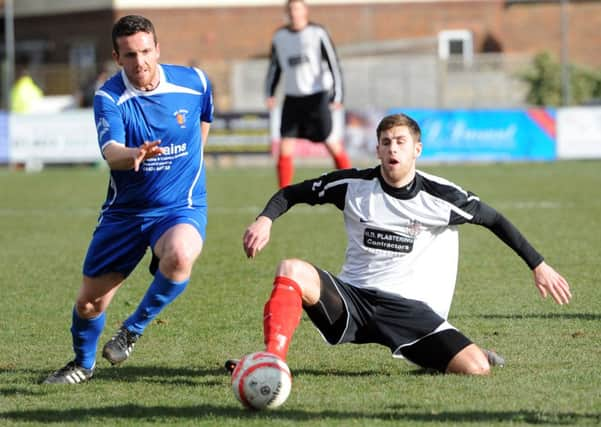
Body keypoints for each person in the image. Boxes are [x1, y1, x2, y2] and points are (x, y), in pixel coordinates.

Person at [226, 113, 572, 376]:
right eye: (386, 141)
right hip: (353, 300)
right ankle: (271, 360)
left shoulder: (441, 196)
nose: (393, 148)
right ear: (377, 148)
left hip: (411, 311)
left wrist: (538, 265)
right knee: (291, 269)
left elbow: (494, 219)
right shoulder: (352, 185)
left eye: (401, 142)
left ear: (416, 149)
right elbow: (292, 193)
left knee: (476, 368)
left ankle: (459, 351)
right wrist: (265, 219)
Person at [44, 14, 214, 384]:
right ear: (117, 57)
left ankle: (131, 330)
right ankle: (82, 365)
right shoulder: (109, 96)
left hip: (178, 207)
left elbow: (204, 119)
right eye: (130, 55)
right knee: (89, 304)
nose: (140, 62)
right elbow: (111, 150)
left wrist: (192, 160)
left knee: (182, 254)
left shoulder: (194, 82)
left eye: (146, 51)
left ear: (157, 48)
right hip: (127, 213)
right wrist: (133, 154)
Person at [265, 0, 351, 188]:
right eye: (291, 9)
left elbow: (333, 64)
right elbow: (274, 67)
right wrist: (270, 93)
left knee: (330, 141)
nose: (294, 13)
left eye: (297, 9)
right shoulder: (279, 37)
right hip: (292, 99)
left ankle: (349, 182)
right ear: (287, 13)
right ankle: (283, 192)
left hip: (317, 96)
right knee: (285, 146)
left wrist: (338, 95)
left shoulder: (317, 33)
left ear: (305, 11)